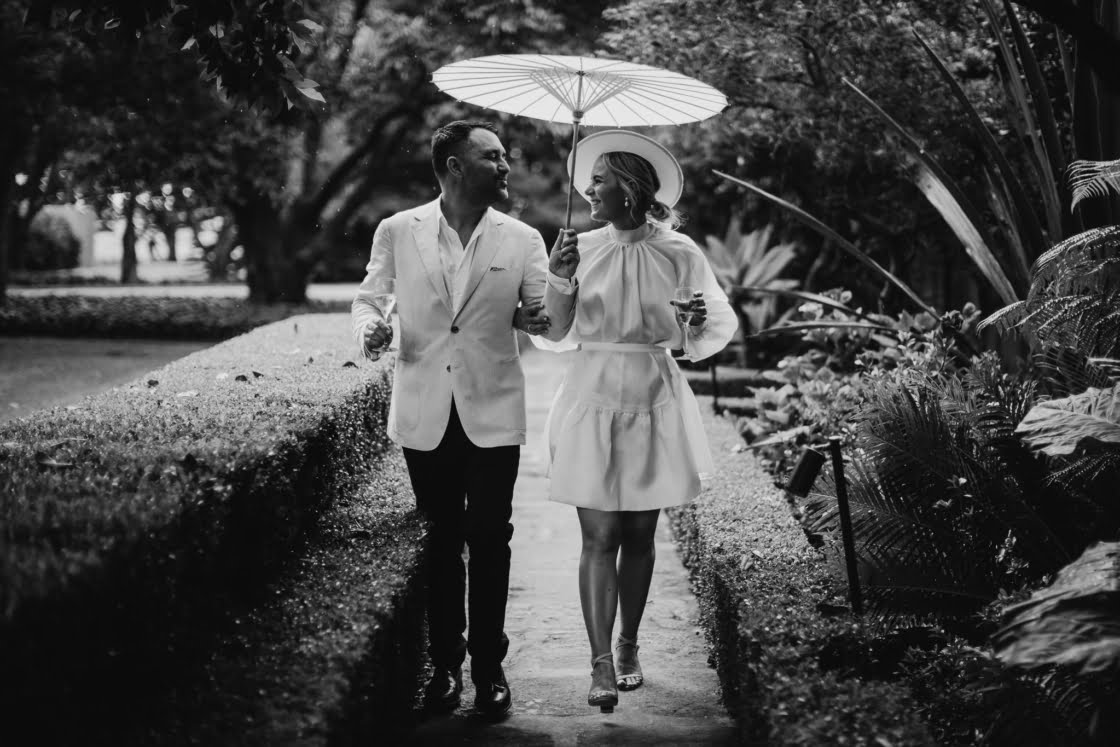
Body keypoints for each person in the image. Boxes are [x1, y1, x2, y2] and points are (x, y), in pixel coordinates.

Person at [351, 120, 578, 718]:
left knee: (491, 539)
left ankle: (489, 669)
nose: (505, 166)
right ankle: (445, 668)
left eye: (504, 157)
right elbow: (370, 299)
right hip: (424, 410)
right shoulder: (398, 230)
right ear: (454, 166)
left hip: (493, 409)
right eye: (493, 156)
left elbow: (547, 326)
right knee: (441, 540)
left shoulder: (522, 238)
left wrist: (560, 284)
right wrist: (371, 329)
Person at [535, 130, 737, 712]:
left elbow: (705, 331)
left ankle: (629, 643)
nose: (588, 190)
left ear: (629, 188)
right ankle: (600, 661)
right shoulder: (578, 247)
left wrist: (692, 320)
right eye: (589, 180)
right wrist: (559, 278)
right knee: (599, 536)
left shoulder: (680, 252)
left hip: (654, 395)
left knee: (639, 538)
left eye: (599, 180)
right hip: (591, 394)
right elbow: (553, 332)